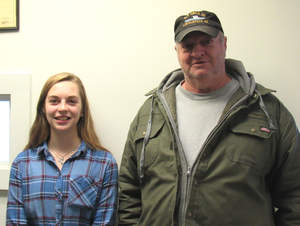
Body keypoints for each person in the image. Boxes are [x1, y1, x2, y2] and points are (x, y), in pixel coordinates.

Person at [118, 10, 300, 226]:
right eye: (188, 46)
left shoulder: (266, 111)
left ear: (224, 43)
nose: (198, 52)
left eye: (206, 42)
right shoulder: (150, 112)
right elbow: (128, 191)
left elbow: (294, 195)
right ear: (177, 50)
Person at [6, 72, 118, 225]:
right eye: (54, 101)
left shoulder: (104, 164)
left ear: (83, 110)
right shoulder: (22, 164)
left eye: (71, 101)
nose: (63, 108)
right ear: (43, 109)